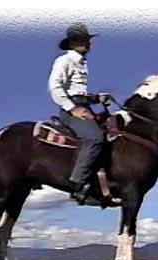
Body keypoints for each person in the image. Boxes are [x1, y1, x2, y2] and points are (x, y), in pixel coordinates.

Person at [48, 23, 111, 203]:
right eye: (84, 40)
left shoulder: (82, 63)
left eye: (88, 40)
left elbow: (78, 93)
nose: (88, 43)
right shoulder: (64, 61)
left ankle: (101, 184)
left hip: (82, 105)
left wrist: (97, 98)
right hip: (71, 110)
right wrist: (73, 109)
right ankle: (77, 185)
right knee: (95, 138)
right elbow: (55, 87)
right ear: (74, 43)